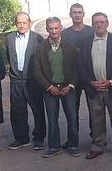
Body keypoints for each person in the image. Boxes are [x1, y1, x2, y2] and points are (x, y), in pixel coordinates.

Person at [79, 13, 112, 159]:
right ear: (92, 25)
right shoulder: (86, 42)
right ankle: (97, 145)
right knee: (96, 119)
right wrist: (90, 82)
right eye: (96, 22)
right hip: (94, 88)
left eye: (102, 22)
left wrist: (111, 81)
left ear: (107, 24)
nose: (99, 25)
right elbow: (80, 65)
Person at [33, 17, 80, 158]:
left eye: (56, 28)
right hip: (50, 88)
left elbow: (78, 68)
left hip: (68, 87)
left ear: (61, 29)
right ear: (47, 30)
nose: (54, 31)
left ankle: (73, 144)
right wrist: (48, 87)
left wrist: (71, 85)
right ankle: (54, 146)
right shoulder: (40, 49)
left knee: (72, 117)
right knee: (52, 119)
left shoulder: (70, 46)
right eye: (51, 28)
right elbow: (37, 71)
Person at [5, 12, 46, 150]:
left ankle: (39, 138)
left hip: (32, 80)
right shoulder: (10, 38)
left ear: (29, 23)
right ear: (15, 23)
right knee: (17, 111)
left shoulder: (38, 38)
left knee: (37, 109)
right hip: (16, 79)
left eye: (24, 22)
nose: (21, 25)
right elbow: (9, 56)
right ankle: (21, 138)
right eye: (19, 22)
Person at [62, 3, 94, 141]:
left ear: (83, 14)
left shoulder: (92, 31)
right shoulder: (65, 34)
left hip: (89, 75)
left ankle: (96, 137)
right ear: (70, 14)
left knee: (94, 108)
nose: (77, 15)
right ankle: (72, 140)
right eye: (74, 12)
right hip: (71, 77)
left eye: (79, 12)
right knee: (71, 111)